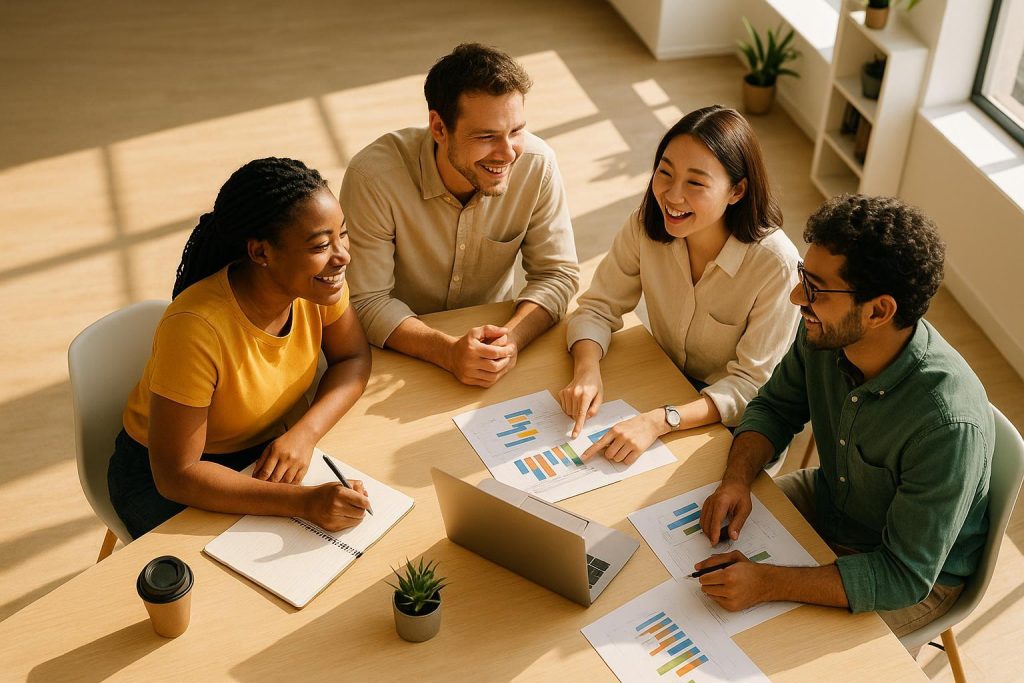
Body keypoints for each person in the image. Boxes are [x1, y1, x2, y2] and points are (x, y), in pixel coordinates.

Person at [697, 194, 993, 640]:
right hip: (832, 504)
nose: (798, 298)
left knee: (770, 649)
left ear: (878, 311)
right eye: (803, 277)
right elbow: (774, 408)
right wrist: (736, 478)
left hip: (907, 575)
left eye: (815, 288)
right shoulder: (823, 332)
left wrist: (769, 582)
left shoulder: (947, 426)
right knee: (693, 553)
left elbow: (904, 575)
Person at [108, 157, 374, 539]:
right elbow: (177, 475)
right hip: (170, 476)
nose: (342, 255)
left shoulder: (318, 285)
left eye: (342, 235)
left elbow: (353, 357)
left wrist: (305, 434)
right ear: (261, 253)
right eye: (320, 244)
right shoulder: (195, 329)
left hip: (267, 447)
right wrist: (303, 503)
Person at [559, 105, 800, 463]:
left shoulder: (776, 265)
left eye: (696, 183)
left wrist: (661, 420)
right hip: (665, 383)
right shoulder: (646, 225)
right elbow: (598, 306)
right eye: (665, 173)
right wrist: (587, 370)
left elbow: (751, 386)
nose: (672, 196)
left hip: (736, 422)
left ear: (737, 191)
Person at [340, 42, 579, 388]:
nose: (508, 153)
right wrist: (447, 352)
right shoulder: (373, 178)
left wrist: (511, 340)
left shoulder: (537, 165)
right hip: (397, 353)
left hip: (491, 351)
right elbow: (365, 299)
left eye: (516, 131)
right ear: (438, 128)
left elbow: (557, 274)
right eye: (486, 136)